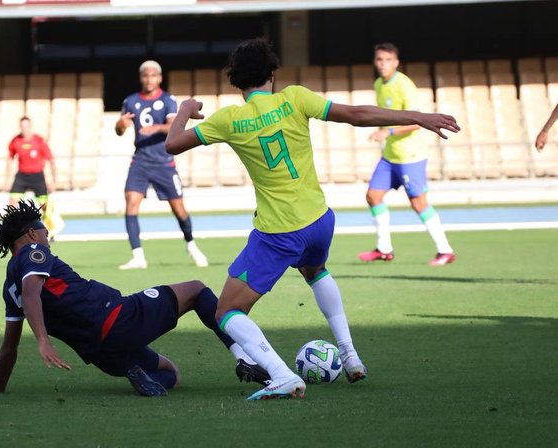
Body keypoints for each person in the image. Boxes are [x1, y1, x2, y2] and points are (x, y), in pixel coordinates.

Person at [166, 38, 459, 400]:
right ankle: (349, 355)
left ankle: (281, 374)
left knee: (227, 310)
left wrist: (185, 108)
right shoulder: (295, 98)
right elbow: (357, 116)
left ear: (237, 82)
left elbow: (172, 144)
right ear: (272, 75)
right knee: (315, 270)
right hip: (320, 220)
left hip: (279, 231)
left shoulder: (228, 119)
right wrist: (418, 115)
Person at [0, 200, 270, 397]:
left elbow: (8, 348)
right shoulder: (36, 253)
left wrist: (0, 388)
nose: (48, 236)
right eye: (44, 230)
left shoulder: (9, 287)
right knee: (196, 289)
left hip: (102, 354)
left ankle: (143, 379)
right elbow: (33, 291)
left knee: (172, 374)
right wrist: (42, 339)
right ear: (32, 233)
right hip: (118, 318)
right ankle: (243, 357)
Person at [358, 43, 456, 266]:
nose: (383, 64)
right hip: (390, 156)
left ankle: (445, 250)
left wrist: (388, 132)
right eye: (379, 60)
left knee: (418, 202)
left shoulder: (404, 85)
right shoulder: (378, 84)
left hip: (410, 156)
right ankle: (384, 248)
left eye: (388, 60)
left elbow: (417, 122)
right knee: (373, 196)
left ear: (396, 62)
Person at [115, 60, 208, 270]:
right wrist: (119, 125)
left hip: (164, 162)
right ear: (141, 78)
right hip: (140, 161)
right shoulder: (130, 101)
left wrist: (156, 127)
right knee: (131, 203)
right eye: (146, 76)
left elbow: (175, 127)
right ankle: (138, 256)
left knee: (179, 209)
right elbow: (120, 130)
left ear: (160, 78)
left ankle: (191, 244)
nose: (149, 79)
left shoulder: (168, 99)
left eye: (153, 75)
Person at [5, 116, 63, 237]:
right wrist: (7, 179)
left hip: (37, 176)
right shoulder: (15, 141)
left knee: (45, 205)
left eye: (27, 126)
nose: (24, 129)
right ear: (20, 127)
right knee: (12, 203)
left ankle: (50, 231)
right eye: (22, 126)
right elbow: (10, 158)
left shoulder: (39, 141)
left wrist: (53, 180)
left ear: (30, 127)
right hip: (22, 176)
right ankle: (12, 231)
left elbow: (51, 160)